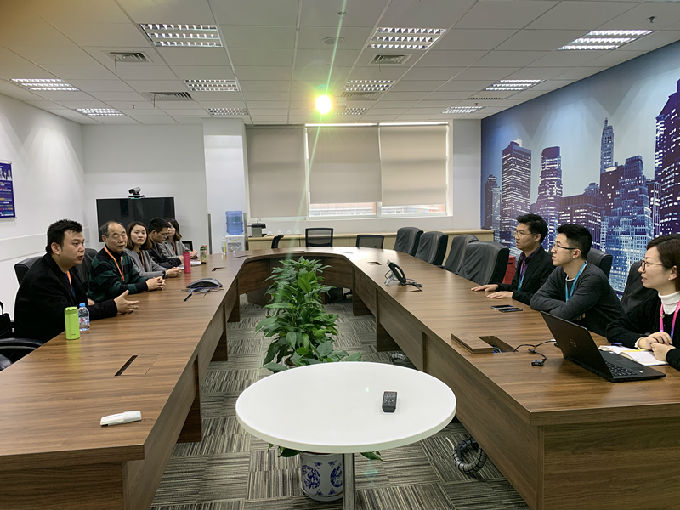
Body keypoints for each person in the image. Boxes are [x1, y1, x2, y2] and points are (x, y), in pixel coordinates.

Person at [14, 219, 138, 342]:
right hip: (45, 344)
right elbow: (68, 315)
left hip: (70, 334)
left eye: (82, 243)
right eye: (75, 244)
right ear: (56, 248)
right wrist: (113, 306)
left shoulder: (67, 266)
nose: (82, 248)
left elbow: (80, 303)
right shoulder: (43, 277)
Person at [530, 223, 622, 336]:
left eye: (558, 246)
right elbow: (535, 300)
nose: (552, 250)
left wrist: (567, 310)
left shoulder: (593, 278)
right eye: (554, 245)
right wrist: (567, 307)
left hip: (605, 339)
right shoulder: (561, 271)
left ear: (575, 253)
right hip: (579, 333)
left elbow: (560, 315)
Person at [607, 236, 680, 369]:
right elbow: (614, 328)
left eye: (647, 264)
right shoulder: (655, 300)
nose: (640, 269)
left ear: (673, 272)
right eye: (643, 263)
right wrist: (643, 341)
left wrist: (670, 354)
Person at [471, 213, 554, 304]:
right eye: (516, 232)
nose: (516, 237)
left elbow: (542, 298)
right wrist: (497, 287)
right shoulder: (523, 257)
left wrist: (513, 295)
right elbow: (516, 288)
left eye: (521, 233)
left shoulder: (548, 262)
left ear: (537, 237)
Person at [88, 221, 165, 302]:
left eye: (123, 235)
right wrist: (146, 285)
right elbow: (115, 290)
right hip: (105, 304)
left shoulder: (124, 255)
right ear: (104, 238)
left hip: (125, 299)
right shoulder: (101, 261)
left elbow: (135, 277)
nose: (121, 240)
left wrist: (153, 282)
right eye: (115, 236)